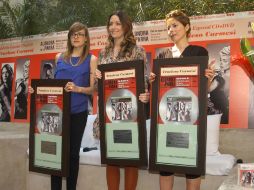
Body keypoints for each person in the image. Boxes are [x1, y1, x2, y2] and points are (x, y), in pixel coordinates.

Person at [149, 10, 215, 190]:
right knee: (165, 165)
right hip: (168, 118)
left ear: (187, 27)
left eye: (175, 25)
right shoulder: (163, 56)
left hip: (192, 117)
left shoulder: (199, 52)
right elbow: (159, 93)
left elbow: (204, 90)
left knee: (191, 166)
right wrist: (153, 83)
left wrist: (208, 79)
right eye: (168, 27)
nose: (171, 30)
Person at [29, 22, 97, 190]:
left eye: (80, 34)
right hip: (56, 113)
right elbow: (53, 87)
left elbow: (94, 89)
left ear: (86, 39)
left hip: (78, 113)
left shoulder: (92, 59)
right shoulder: (59, 57)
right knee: (56, 154)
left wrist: (77, 88)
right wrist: (37, 91)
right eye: (73, 34)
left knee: (73, 155)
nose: (76, 37)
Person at [95, 10, 150, 190]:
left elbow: (144, 82)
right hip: (109, 113)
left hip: (130, 113)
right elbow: (98, 89)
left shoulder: (138, 51)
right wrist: (97, 78)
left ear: (126, 26)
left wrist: (145, 95)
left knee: (130, 159)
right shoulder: (103, 53)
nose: (113, 27)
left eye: (118, 23)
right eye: (111, 23)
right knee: (111, 159)